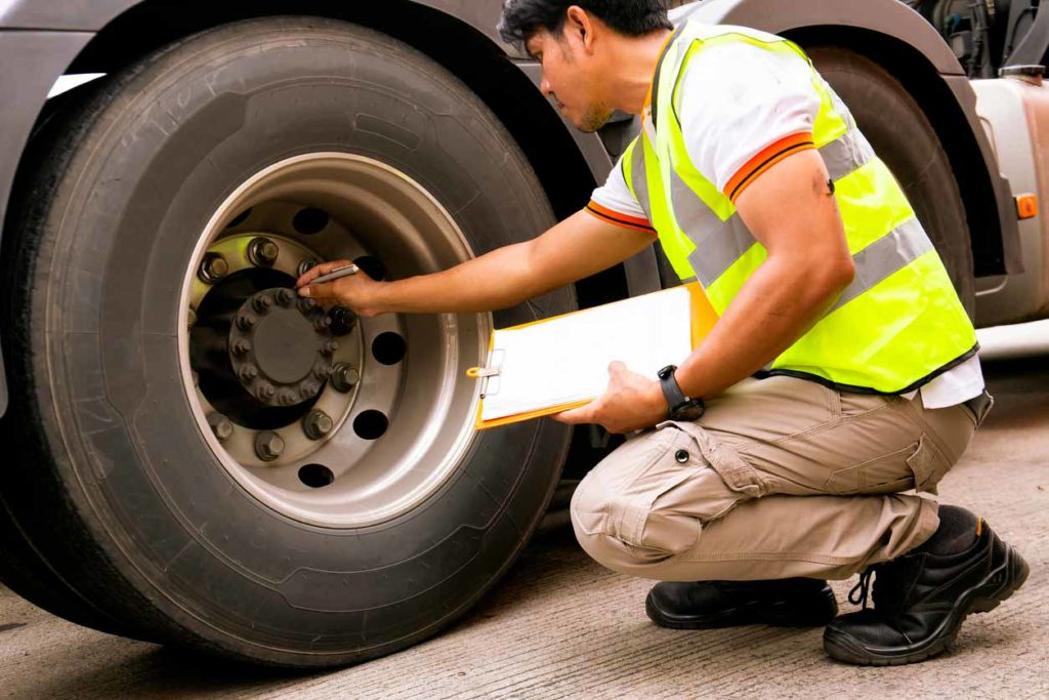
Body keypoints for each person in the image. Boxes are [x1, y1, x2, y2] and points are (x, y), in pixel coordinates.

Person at [296, 0, 1028, 666]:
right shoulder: (660, 138)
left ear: (581, 27)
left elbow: (813, 265)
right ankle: (775, 582)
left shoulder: (724, 79)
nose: (543, 83)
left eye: (541, 53)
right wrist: (380, 295)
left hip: (896, 399)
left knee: (619, 514)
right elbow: (534, 262)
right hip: (827, 389)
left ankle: (934, 547)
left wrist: (669, 392)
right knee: (654, 456)